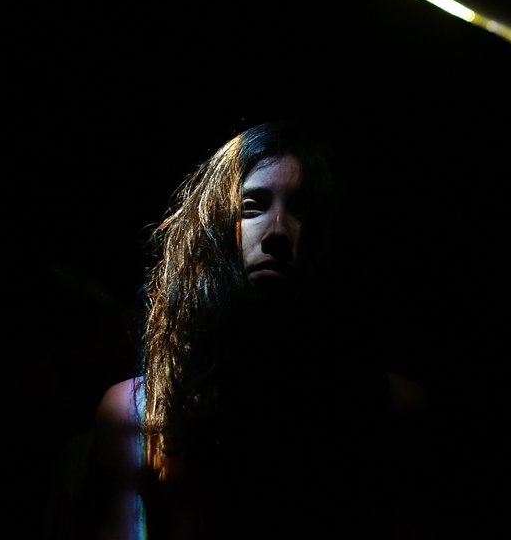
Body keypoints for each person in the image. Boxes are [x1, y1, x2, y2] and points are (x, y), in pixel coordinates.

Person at [70, 120, 441, 539]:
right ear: (214, 225)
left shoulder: (397, 409)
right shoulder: (139, 412)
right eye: (252, 206)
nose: (278, 230)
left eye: (301, 210)